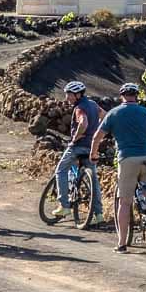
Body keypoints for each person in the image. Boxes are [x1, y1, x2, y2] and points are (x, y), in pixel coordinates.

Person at [89, 82, 146, 254]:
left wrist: (93, 155)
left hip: (127, 159)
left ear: (122, 96)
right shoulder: (145, 112)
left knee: (124, 202)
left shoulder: (114, 113)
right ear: (136, 96)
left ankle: (122, 243)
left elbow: (97, 137)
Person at [51, 81, 104, 226]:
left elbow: (83, 123)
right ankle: (99, 214)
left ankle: (64, 206)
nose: (67, 97)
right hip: (91, 147)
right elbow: (104, 116)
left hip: (78, 146)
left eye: (69, 94)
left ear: (78, 95)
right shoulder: (93, 104)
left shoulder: (79, 108)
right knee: (93, 180)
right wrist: (97, 134)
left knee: (60, 171)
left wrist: (76, 138)